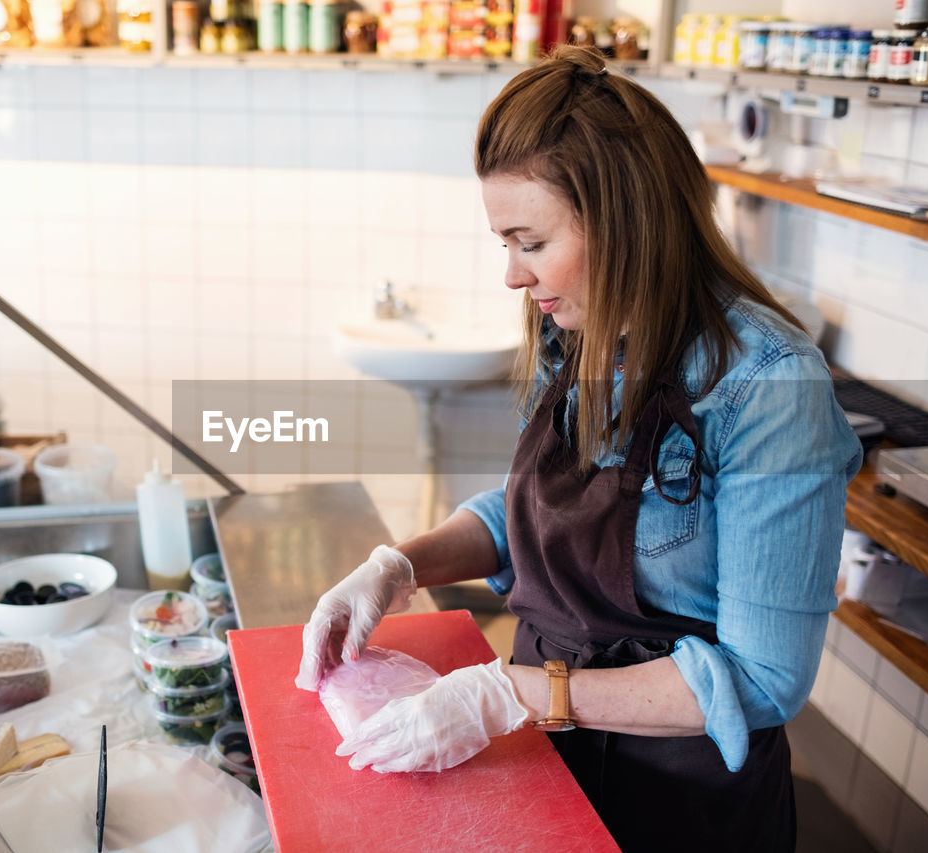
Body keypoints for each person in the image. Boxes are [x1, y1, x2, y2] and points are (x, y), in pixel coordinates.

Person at [295, 45, 863, 853]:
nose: (513, 278)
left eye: (529, 241)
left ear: (620, 219)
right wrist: (398, 566)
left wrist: (508, 695)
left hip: (682, 806)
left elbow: (763, 679)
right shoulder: (574, 334)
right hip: (548, 760)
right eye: (505, 244)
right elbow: (531, 511)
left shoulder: (769, 387)